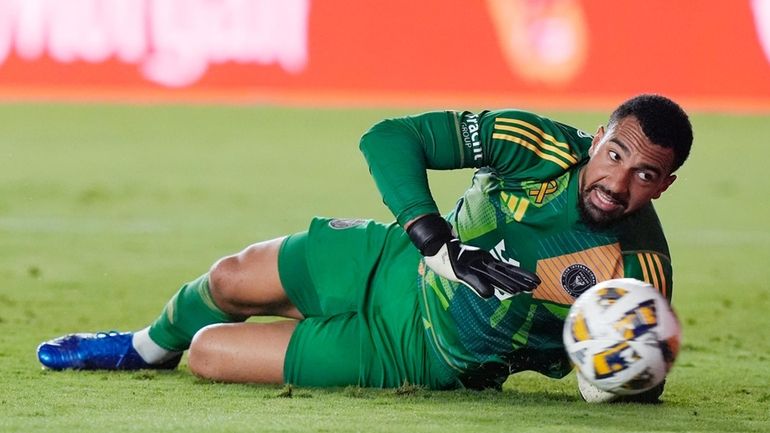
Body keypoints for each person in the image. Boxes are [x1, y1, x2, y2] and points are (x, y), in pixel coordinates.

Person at [37, 94, 692, 402]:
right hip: (394, 260)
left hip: (419, 350)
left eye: (645, 174)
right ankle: (142, 348)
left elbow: (621, 365)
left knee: (208, 351)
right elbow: (389, 137)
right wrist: (436, 242)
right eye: (615, 154)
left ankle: (268, 330)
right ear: (600, 134)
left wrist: (614, 377)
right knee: (230, 275)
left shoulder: (639, 274)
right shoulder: (535, 144)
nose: (618, 181)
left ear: (664, 184)